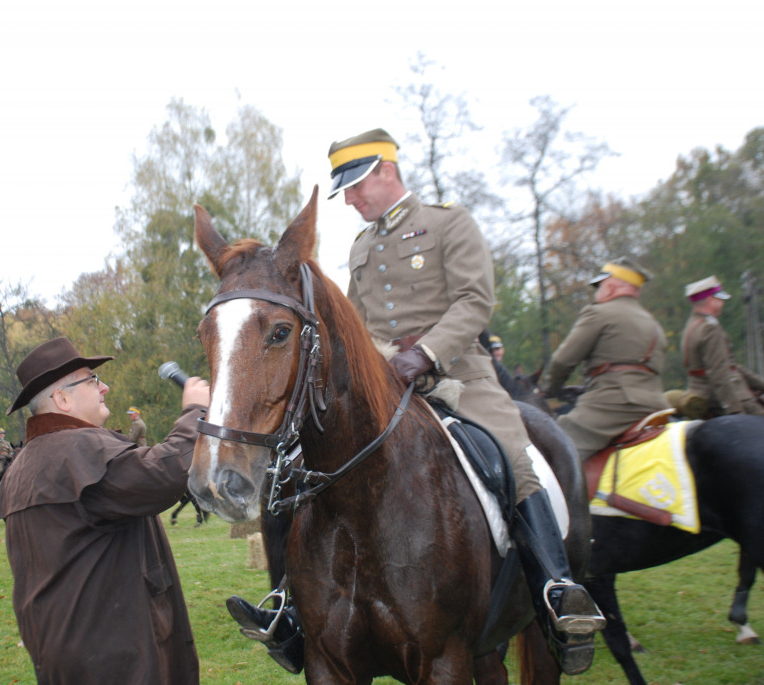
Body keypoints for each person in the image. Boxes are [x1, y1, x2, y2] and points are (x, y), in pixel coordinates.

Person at [228, 128, 604, 675]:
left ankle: (554, 586)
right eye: (345, 193)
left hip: (461, 375)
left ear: (387, 171)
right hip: (384, 385)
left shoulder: (449, 223)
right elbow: (351, 326)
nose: (352, 200)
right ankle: (287, 605)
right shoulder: (359, 247)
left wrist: (425, 353)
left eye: (357, 186)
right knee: (294, 472)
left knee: (516, 456)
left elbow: (476, 301)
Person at [0, 336, 209, 684]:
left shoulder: (25, 463)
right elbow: (164, 475)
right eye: (92, 380)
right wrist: (198, 412)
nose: (104, 387)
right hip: (115, 658)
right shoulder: (75, 449)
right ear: (62, 398)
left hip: (66, 651)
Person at [540, 258, 671, 459]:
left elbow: (563, 361)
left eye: (598, 286)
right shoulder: (653, 323)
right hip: (657, 404)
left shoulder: (599, 313)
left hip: (614, 405)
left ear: (610, 287)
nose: (597, 292)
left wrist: (552, 389)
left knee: (556, 450)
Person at [681, 275, 764, 417]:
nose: (722, 303)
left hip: (700, 391)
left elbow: (732, 365)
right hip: (727, 396)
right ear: (710, 301)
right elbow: (719, 372)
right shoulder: (709, 328)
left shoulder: (692, 325)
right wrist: (734, 410)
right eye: (719, 299)